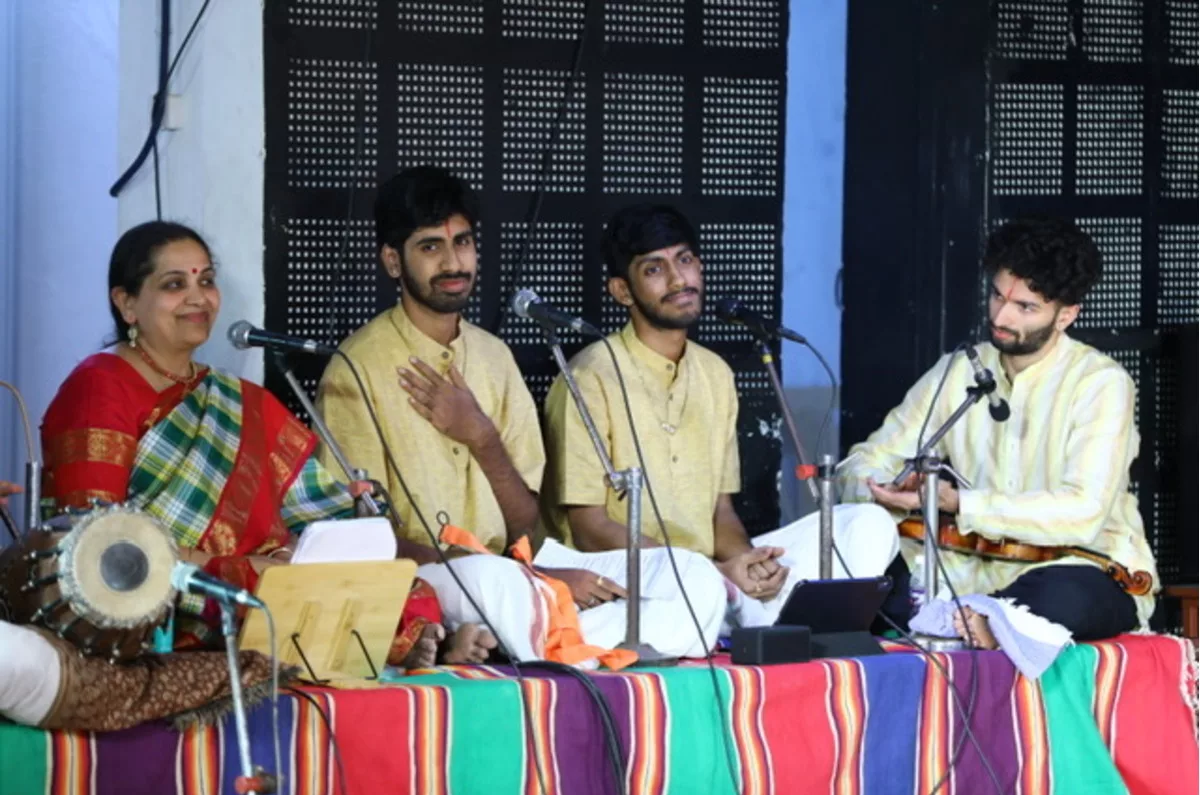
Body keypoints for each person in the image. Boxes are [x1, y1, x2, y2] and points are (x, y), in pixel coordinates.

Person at [318, 168, 726, 663]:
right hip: (432, 578)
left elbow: (528, 528)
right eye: (430, 247)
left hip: (519, 574)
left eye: (463, 242)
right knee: (494, 581)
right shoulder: (356, 368)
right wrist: (523, 576)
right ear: (392, 260)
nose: (454, 262)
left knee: (692, 574)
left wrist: (482, 438)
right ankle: (588, 640)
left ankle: (572, 642)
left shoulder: (494, 358)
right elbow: (364, 540)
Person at [38, 221, 453, 667]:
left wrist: (318, 541)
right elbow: (93, 544)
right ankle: (392, 644)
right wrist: (232, 566)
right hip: (158, 588)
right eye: (175, 285)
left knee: (394, 581)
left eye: (207, 281)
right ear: (127, 304)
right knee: (259, 590)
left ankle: (409, 639)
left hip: (257, 578)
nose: (198, 298)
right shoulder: (98, 388)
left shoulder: (240, 401)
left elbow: (317, 513)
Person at [540, 204, 899, 628]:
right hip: (630, 578)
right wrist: (704, 571)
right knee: (696, 591)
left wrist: (744, 561)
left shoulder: (715, 373)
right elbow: (589, 529)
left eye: (685, 260)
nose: (678, 279)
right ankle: (734, 611)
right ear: (622, 291)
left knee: (868, 525)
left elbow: (721, 514)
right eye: (655, 269)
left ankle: (740, 607)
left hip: (710, 573)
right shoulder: (588, 376)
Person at [839, 216, 1159, 646]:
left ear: (1066, 315)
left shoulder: (1100, 383)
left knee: (1065, 597)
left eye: (1025, 307)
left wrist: (961, 504)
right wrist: (880, 488)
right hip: (962, 567)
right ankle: (974, 622)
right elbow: (868, 457)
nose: (1001, 316)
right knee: (859, 571)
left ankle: (986, 622)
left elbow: (1082, 511)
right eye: (996, 296)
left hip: (1074, 567)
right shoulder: (959, 370)